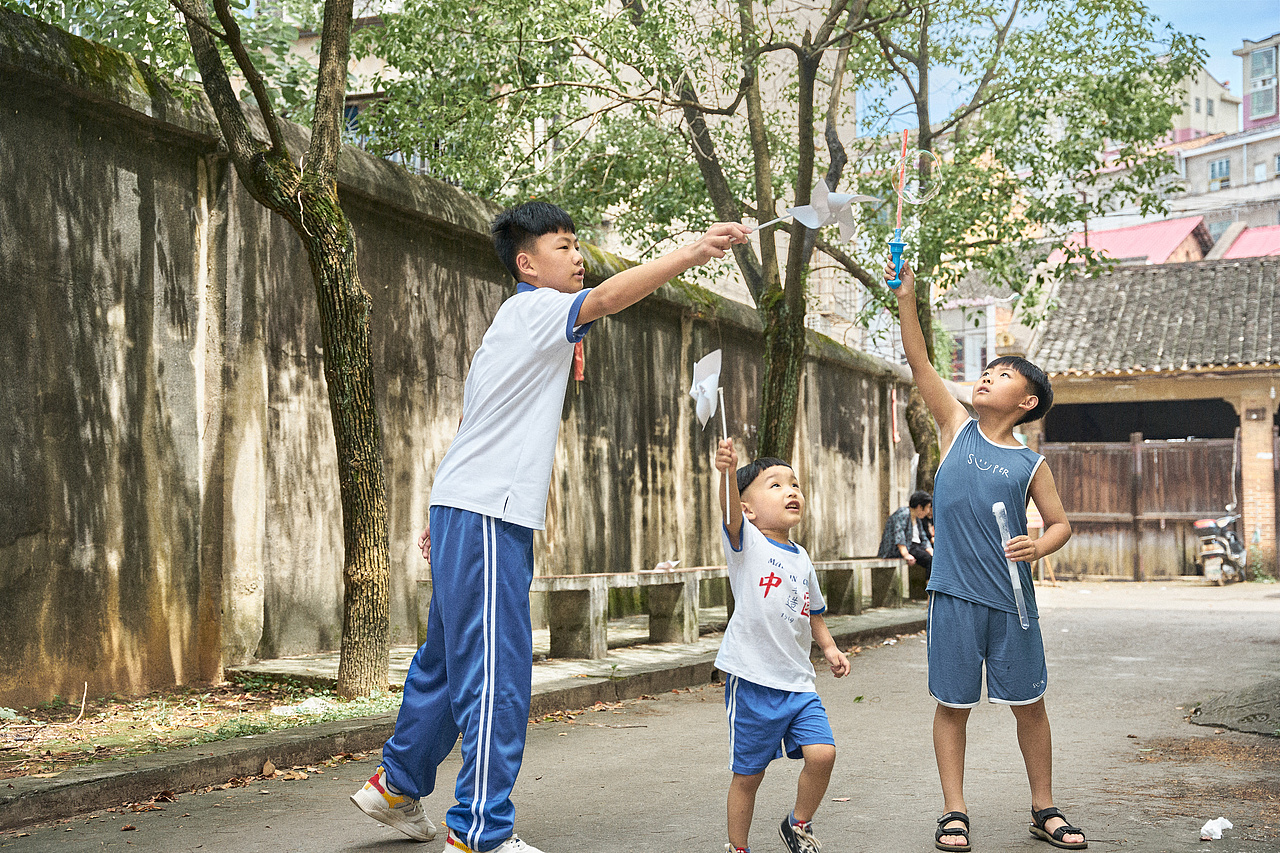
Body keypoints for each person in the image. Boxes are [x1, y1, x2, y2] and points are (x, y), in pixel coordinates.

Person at [350, 201, 752, 853]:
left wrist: (437, 509)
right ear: (527, 263)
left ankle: (397, 785)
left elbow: (471, 423)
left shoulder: (510, 326)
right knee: (496, 671)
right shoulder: (537, 310)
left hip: (464, 508)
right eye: (563, 246)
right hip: (487, 515)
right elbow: (608, 299)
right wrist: (692, 251)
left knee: (448, 663)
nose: (578, 255)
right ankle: (481, 830)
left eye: (577, 243)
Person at [888, 258, 1085, 852]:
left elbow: (1061, 525)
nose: (986, 378)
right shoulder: (955, 427)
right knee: (953, 706)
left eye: (1001, 376)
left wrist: (1037, 546)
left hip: (1012, 605)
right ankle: (954, 811)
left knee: (1031, 706)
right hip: (952, 598)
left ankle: (1044, 808)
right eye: (987, 370)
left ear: (1026, 402)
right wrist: (907, 298)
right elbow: (920, 361)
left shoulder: (1030, 463)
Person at [712, 440, 851, 853]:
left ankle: (797, 823)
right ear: (748, 508)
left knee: (823, 754)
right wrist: (725, 473)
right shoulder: (746, 544)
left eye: (794, 483)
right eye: (775, 485)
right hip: (754, 681)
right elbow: (727, 512)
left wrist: (829, 648)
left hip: (798, 683)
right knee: (748, 776)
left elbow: (814, 611)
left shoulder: (801, 557)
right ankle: (738, 848)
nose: (791, 490)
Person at [878, 490, 935, 572]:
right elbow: (899, 535)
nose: (928, 511)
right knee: (930, 561)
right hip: (897, 549)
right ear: (919, 507)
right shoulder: (903, 514)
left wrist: (931, 551)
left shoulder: (917, 519)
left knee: (933, 560)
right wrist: (905, 554)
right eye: (927, 507)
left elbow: (923, 537)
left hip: (913, 547)